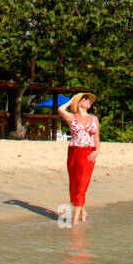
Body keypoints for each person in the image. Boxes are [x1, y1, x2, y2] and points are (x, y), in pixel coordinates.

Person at [57, 92, 100, 225]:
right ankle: (82, 210)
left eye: (88, 99)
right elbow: (60, 109)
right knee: (74, 183)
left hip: (88, 152)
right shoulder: (71, 117)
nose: (87, 101)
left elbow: (96, 137)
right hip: (74, 152)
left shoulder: (94, 119)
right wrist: (71, 101)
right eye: (84, 98)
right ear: (78, 102)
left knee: (82, 184)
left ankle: (74, 220)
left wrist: (97, 151)